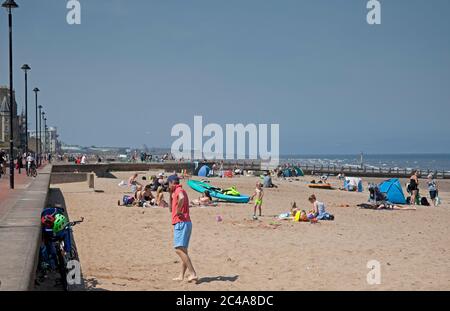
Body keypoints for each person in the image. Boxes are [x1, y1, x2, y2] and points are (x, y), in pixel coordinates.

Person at [168, 175, 197, 283]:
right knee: (184, 251)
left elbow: (181, 198)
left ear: (171, 182)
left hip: (181, 223)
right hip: (186, 222)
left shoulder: (179, 190)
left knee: (178, 249)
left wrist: (179, 210)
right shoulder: (177, 191)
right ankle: (181, 275)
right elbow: (171, 209)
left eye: (168, 184)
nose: (168, 186)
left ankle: (193, 273)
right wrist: (170, 195)